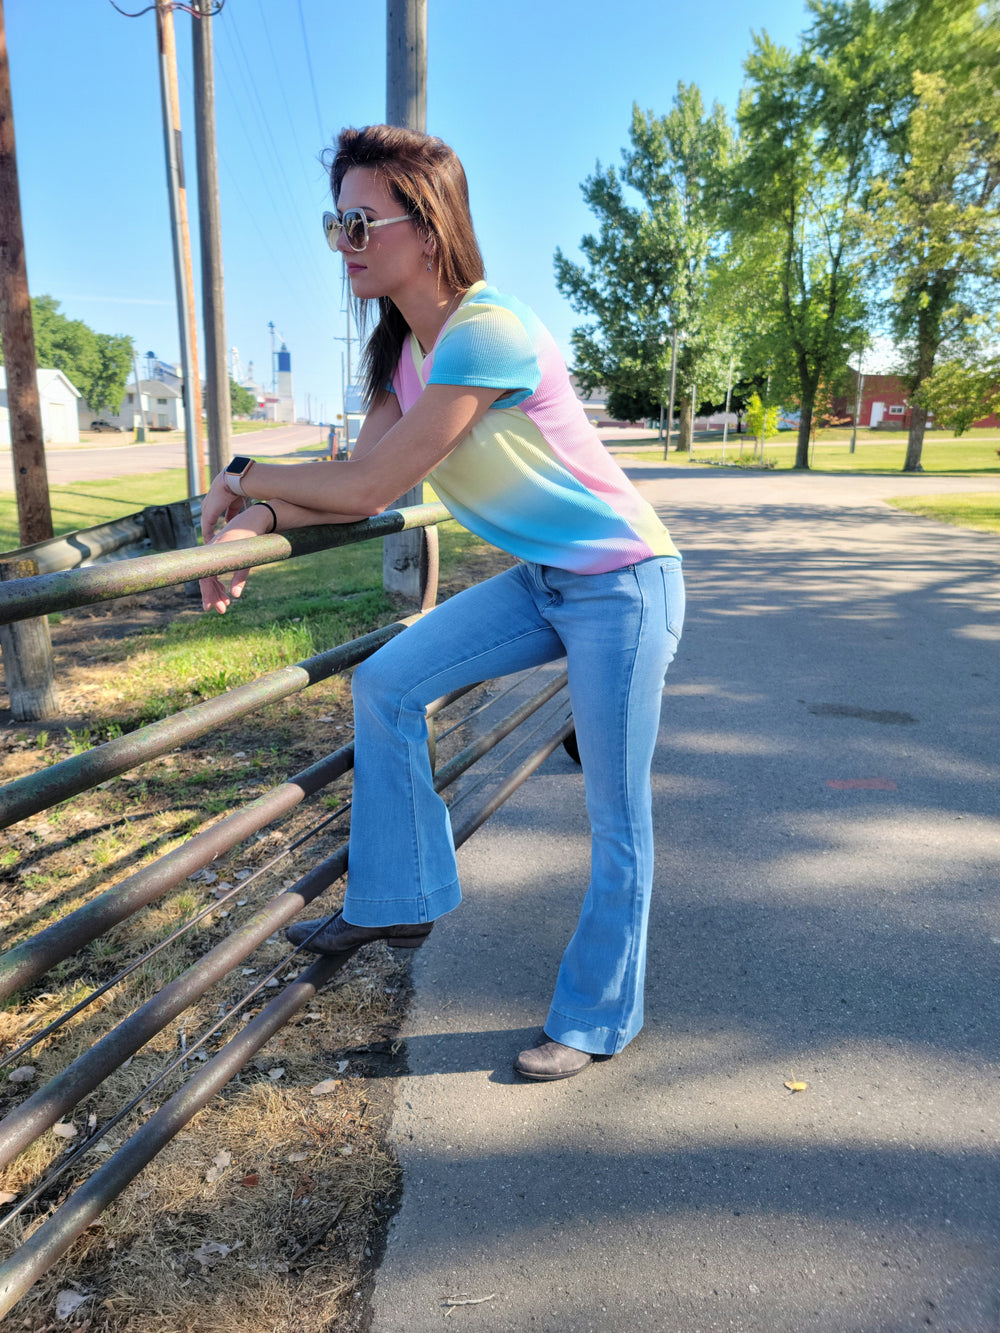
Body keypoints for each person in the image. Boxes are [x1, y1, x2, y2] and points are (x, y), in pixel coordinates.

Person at [199, 124, 685, 1082]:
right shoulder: (402, 351)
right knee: (385, 685)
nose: (341, 245)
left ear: (427, 228)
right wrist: (254, 517)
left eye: (358, 224)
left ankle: (598, 1016)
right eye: (334, 225)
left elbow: (371, 485)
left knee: (616, 816)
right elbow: (347, 484)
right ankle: (402, 896)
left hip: (624, 583)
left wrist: (241, 471)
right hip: (547, 580)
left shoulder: (487, 330)